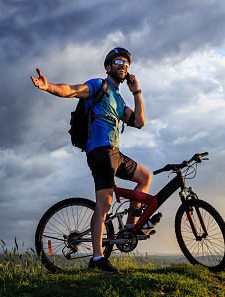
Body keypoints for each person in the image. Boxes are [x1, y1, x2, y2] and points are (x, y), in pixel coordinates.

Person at [31, 47, 151, 274]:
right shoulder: (99, 85)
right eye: (118, 61)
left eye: (126, 63)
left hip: (115, 152)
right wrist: (48, 87)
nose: (123, 65)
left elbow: (139, 121)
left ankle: (129, 228)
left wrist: (137, 92)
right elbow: (71, 90)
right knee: (104, 204)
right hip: (100, 150)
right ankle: (97, 258)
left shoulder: (118, 97)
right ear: (108, 67)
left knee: (145, 178)